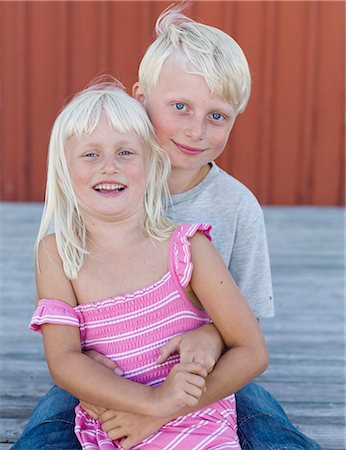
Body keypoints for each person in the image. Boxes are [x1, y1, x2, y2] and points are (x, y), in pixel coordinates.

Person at [12, 5, 323, 450]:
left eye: (217, 116)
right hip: (108, 369)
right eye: (180, 107)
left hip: (204, 372)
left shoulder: (236, 208)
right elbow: (73, 315)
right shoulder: (105, 185)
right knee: (45, 435)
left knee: (268, 430)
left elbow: (245, 327)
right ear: (140, 100)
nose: (196, 130)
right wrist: (120, 393)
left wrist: (203, 342)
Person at [27, 81, 268, 450]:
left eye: (125, 152)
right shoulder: (57, 255)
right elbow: (63, 359)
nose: (109, 167)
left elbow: (252, 350)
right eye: (90, 154)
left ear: (152, 164)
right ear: (63, 170)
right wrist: (152, 403)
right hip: (112, 426)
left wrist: (165, 408)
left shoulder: (189, 248)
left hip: (197, 425)